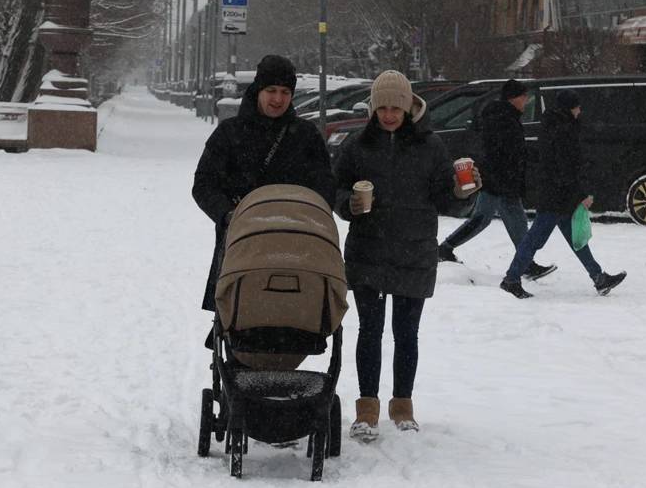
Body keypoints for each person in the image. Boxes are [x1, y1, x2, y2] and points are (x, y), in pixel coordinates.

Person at [333, 70, 480, 440]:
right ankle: (366, 409)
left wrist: (465, 193)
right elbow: (334, 188)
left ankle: (403, 406)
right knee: (369, 331)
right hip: (368, 249)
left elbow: (446, 199)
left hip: (414, 251)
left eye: (394, 107)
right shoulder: (357, 145)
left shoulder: (430, 147)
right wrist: (348, 204)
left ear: (409, 105)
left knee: (406, 333)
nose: (388, 115)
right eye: (381, 107)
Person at [192, 55, 336, 347]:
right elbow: (204, 184)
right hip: (241, 240)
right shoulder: (230, 134)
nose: (278, 99)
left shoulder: (306, 136)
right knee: (240, 310)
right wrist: (227, 214)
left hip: (295, 239)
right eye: (271, 91)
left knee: (292, 310)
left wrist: (313, 215)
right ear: (258, 90)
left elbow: (324, 185)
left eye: (285, 92)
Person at [499, 90, 626, 299]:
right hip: (556, 197)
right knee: (534, 240)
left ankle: (599, 277)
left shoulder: (554, 125)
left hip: (556, 193)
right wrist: (582, 194)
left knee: (576, 239)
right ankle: (511, 279)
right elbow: (567, 167)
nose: (579, 110)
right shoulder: (564, 130)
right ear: (569, 108)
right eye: (577, 106)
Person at [438, 79, 556, 281]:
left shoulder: (504, 116)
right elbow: (506, 150)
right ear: (513, 98)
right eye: (523, 96)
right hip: (500, 179)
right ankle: (525, 262)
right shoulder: (503, 118)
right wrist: (527, 158)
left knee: (486, 218)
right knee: (501, 218)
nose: (526, 100)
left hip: (499, 178)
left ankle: (446, 248)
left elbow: (509, 149)